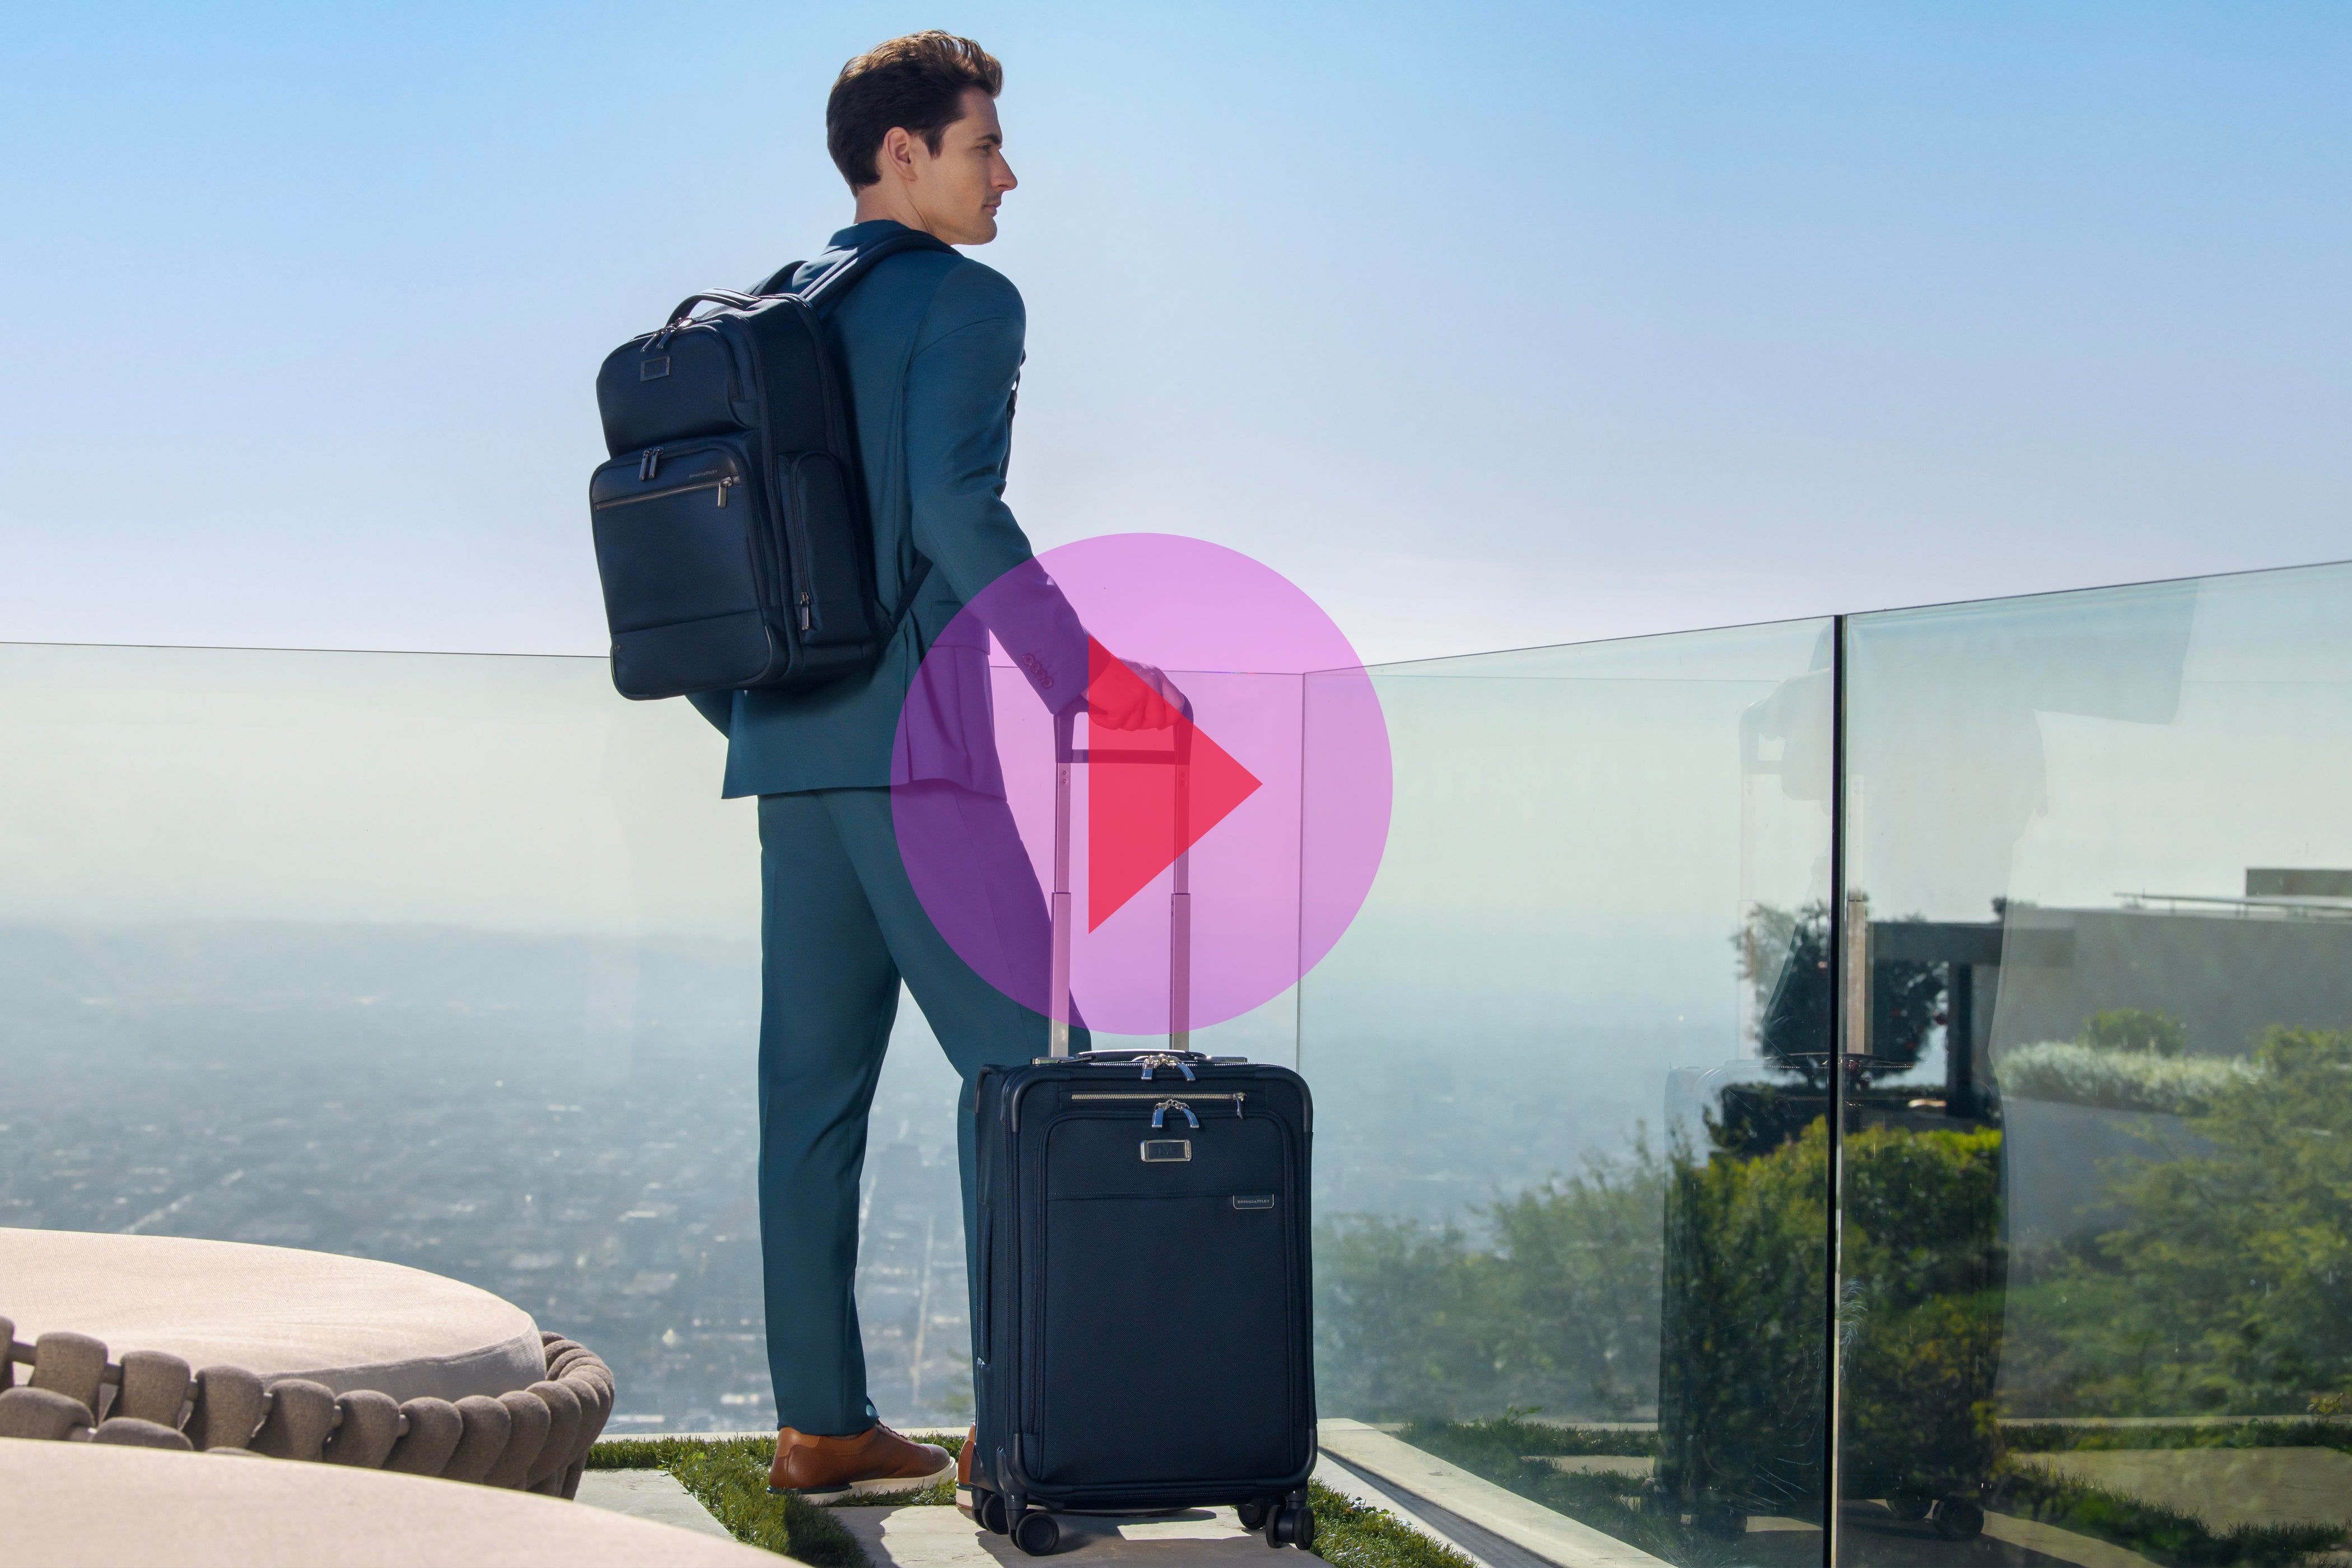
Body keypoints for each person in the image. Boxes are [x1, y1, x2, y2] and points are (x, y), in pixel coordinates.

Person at [683, 31, 1160, 1500]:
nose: (1007, 174)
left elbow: (703, 555)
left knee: (808, 1106)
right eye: (982, 144)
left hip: (788, 756)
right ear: (903, 152)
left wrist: (770, 723)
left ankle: (824, 1429)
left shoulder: (759, 315)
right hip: (920, 759)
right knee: (1030, 1090)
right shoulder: (966, 302)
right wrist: (1091, 690)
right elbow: (958, 510)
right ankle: (1026, 1434)